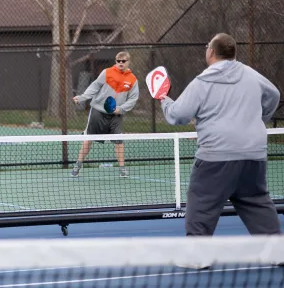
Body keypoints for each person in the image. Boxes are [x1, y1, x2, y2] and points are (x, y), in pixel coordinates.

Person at [160, 33, 281, 237]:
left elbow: (178, 115)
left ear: (211, 52)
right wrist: (260, 118)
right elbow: (274, 95)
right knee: (261, 212)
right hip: (253, 158)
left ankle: (197, 252)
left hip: (215, 160)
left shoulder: (202, 81)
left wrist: (164, 100)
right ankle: (276, 249)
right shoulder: (251, 75)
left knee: (200, 216)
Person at [70, 51, 140, 178]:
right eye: (118, 61)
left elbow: (133, 99)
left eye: (123, 61)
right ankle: (78, 165)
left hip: (116, 115)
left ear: (128, 62)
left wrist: (121, 109)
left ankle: (122, 169)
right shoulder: (107, 72)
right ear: (116, 61)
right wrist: (82, 97)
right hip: (98, 111)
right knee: (88, 139)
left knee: (119, 141)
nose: (121, 63)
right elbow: (94, 86)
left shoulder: (132, 79)